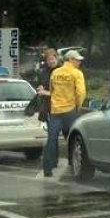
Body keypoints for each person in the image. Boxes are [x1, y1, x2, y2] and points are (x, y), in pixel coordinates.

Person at [38, 49, 86, 177]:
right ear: (71, 60)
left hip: (55, 111)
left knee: (52, 139)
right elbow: (81, 92)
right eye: (77, 60)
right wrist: (78, 106)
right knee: (73, 139)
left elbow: (52, 90)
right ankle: (73, 163)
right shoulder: (77, 73)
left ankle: (47, 169)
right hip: (70, 111)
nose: (79, 62)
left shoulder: (55, 73)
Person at [36, 48, 60, 122]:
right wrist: (40, 87)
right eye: (48, 60)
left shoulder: (62, 71)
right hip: (47, 107)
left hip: (60, 108)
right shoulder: (44, 72)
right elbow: (40, 84)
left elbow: (63, 91)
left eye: (52, 59)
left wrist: (47, 93)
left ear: (56, 58)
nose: (51, 61)